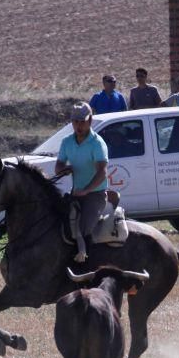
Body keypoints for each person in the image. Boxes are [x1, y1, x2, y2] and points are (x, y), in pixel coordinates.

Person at [55, 102, 109, 263]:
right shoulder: (67, 142)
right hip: (76, 193)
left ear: (90, 120)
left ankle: (90, 264)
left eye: (82, 121)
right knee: (61, 223)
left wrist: (86, 190)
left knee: (84, 229)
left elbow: (102, 172)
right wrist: (64, 170)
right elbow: (59, 165)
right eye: (75, 121)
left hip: (95, 195)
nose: (78, 125)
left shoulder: (97, 143)